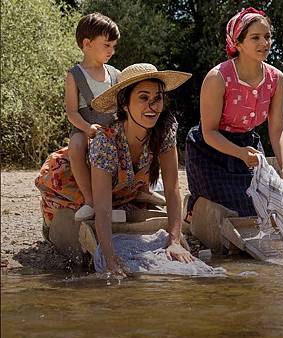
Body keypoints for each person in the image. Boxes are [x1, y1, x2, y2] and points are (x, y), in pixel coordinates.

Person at [36, 63, 193, 275]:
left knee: (129, 202)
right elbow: (101, 207)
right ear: (125, 104)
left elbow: (173, 188)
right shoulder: (106, 140)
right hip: (76, 179)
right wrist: (109, 257)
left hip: (122, 185)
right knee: (79, 211)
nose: (152, 106)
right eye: (143, 98)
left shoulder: (164, 129)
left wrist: (174, 240)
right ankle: (49, 224)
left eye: (158, 98)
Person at [185, 7, 283, 218]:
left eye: (267, 36)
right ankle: (194, 206)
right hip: (210, 150)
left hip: (248, 147)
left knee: (264, 207)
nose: (264, 43)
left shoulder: (276, 79)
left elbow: (277, 128)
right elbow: (209, 132)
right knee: (236, 211)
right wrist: (240, 153)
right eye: (255, 38)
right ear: (238, 43)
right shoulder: (218, 77)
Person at [65, 12, 121, 222]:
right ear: (87, 43)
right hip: (84, 127)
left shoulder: (115, 74)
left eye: (114, 46)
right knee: (76, 146)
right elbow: (71, 111)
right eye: (107, 45)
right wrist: (88, 128)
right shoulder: (75, 75)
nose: (111, 51)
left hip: (113, 128)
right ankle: (91, 201)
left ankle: (125, 196)